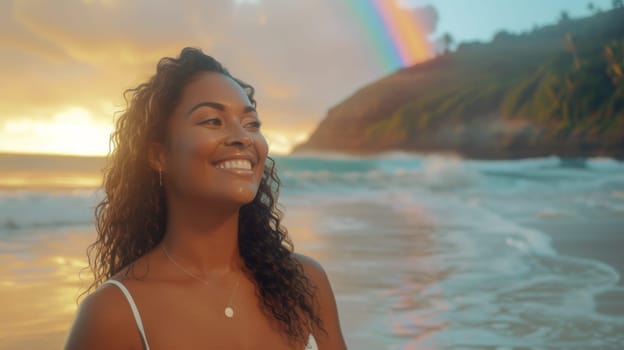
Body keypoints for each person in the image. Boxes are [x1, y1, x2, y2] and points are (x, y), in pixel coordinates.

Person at [65, 47, 347, 350]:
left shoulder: (304, 283)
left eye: (251, 124)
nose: (243, 137)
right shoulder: (115, 313)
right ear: (159, 155)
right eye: (212, 121)